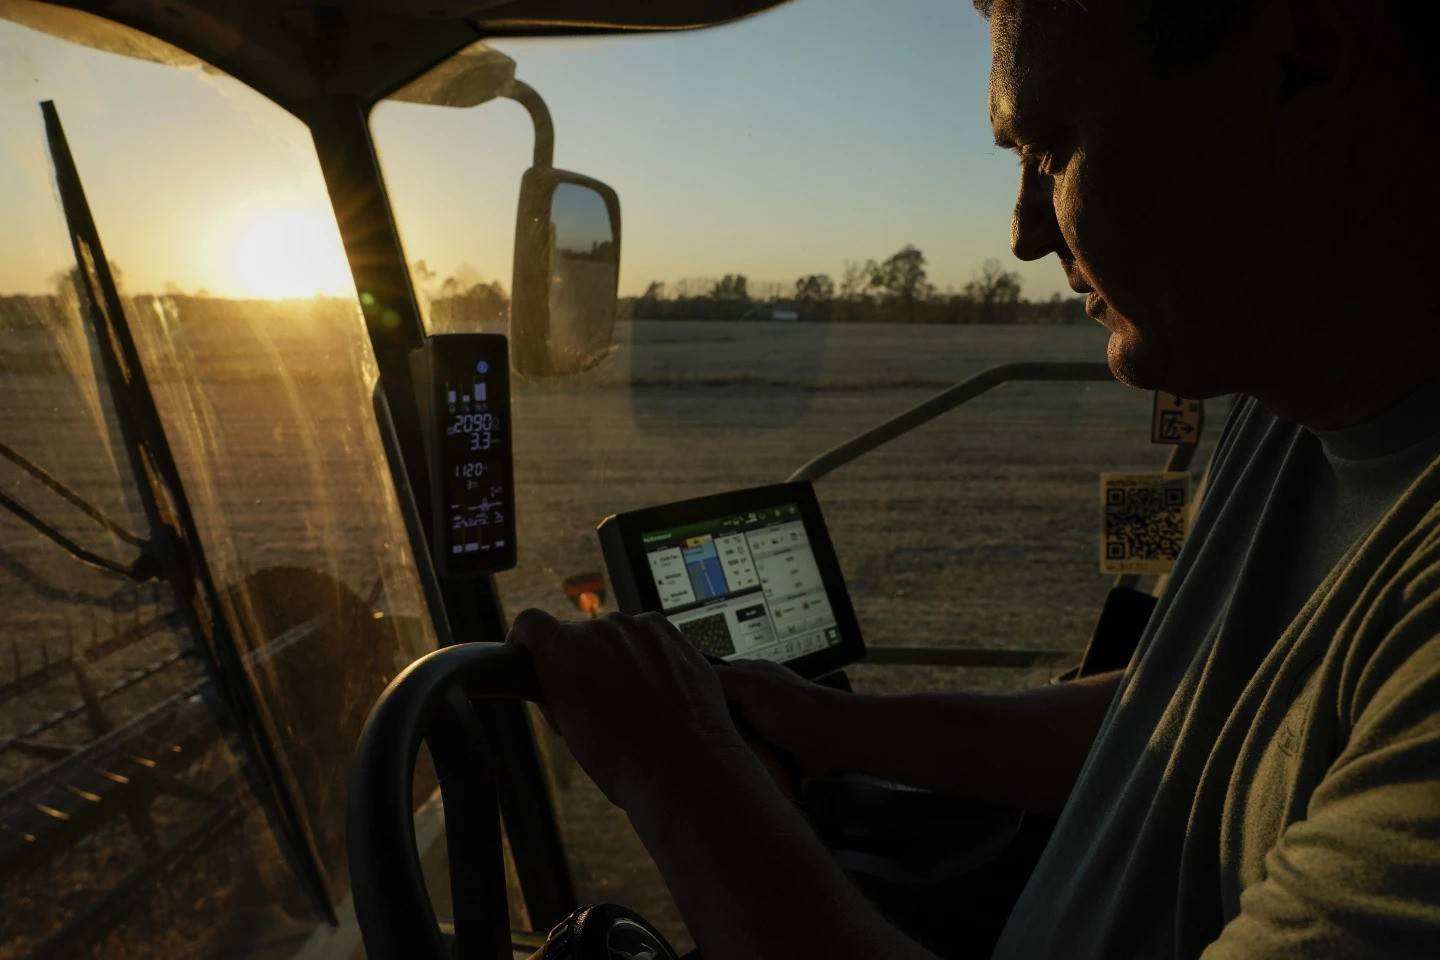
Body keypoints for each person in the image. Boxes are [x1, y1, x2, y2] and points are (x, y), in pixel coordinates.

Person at [510, 0, 1440, 955]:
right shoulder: (1287, 412)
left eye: (1048, 148)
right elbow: (1187, 717)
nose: (1026, 234)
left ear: (1304, 60)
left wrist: (680, 771)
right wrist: (834, 728)